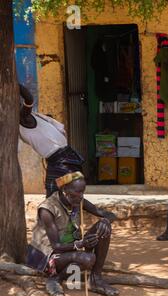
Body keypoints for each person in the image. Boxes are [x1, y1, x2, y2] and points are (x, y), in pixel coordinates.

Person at [18, 84, 116, 221]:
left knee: (57, 195)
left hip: (61, 160)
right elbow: (28, 98)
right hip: (62, 159)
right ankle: (98, 214)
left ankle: (98, 214)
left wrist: (13, 81)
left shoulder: (24, 118)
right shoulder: (22, 119)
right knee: (62, 194)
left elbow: (28, 98)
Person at [26, 172, 119, 296]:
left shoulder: (77, 200)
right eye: (78, 192)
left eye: (83, 192)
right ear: (65, 190)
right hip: (49, 256)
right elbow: (56, 246)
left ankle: (96, 279)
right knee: (88, 259)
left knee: (103, 227)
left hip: (72, 248)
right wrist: (81, 244)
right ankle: (56, 279)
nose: (81, 196)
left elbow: (108, 214)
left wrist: (106, 221)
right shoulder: (47, 209)